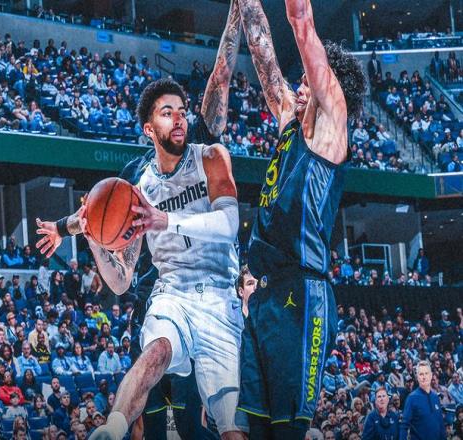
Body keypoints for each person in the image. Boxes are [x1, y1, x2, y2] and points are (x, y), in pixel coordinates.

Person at [36, 3, 245, 438]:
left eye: (182, 110)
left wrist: (237, 14)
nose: (179, 118)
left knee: (229, 425)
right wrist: (82, 234)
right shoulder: (137, 185)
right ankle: (111, 429)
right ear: (149, 129)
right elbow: (119, 281)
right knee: (155, 354)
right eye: (167, 112)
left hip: (220, 294)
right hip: (170, 292)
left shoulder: (209, 155)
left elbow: (228, 227)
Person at [235, 0, 366, 437]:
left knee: (287, 431)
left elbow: (302, 22)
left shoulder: (332, 125)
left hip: (302, 291)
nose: (301, 83)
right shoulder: (290, 123)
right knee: (253, 429)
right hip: (263, 294)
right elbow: (263, 54)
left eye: (310, 78)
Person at [400, 360, 445, 440]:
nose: (424, 377)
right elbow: (404, 426)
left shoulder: (435, 397)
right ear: (417, 377)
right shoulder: (411, 398)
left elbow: (441, 424)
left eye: (426, 373)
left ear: (431, 375)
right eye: (421, 374)